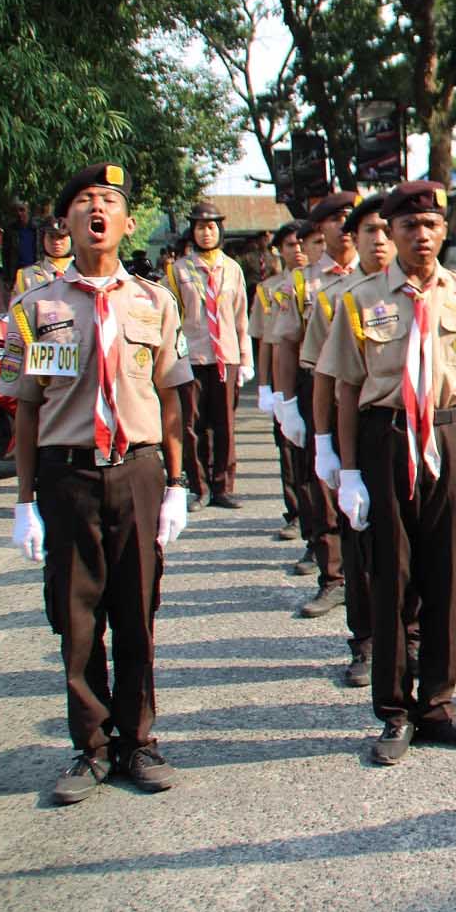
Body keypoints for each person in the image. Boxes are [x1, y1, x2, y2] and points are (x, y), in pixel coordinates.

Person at [4, 163, 193, 805]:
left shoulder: (154, 302)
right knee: (76, 615)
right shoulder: (37, 308)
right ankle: (90, 746)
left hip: (137, 469)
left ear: (127, 222)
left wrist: (176, 483)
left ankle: (138, 740)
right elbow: (29, 408)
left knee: (137, 610)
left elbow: (171, 398)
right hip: (68, 475)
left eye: (109, 200)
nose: (97, 209)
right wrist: (24, 502)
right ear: (66, 221)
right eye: (84, 200)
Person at [320, 180, 456, 765]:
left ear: (443, 230)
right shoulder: (359, 299)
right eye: (408, 226)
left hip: (449, 436)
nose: (420, 235)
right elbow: (346, 388)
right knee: (391, 576)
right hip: (386, 438)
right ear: (393, 233)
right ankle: (395, 710)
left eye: (430, 225)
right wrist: (347, 470)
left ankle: (438, 704)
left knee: (446, 576)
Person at [298, 194, 408, 687]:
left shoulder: (418, 291)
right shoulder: (336, 298)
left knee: (410, 542)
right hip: (359, 429)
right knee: (361, 540)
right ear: (355, 239)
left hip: (412, 430)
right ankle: (365, 640)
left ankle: (410, 637)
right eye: (369, 232)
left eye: (386, 230)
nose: (380, 240)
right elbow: (326, 378)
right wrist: (325, 444)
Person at [271, 192, 360, 619]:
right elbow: (285, 344)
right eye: (336, 219)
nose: (345, 227)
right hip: (317, 388)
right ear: (320, 228)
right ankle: (334, 577)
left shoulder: (378, 276)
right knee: (322, 483)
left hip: (365, 390)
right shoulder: (301, 283)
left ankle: (368, 576)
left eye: (351, 218)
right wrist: (285, 400)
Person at [167, 202, 252, 512]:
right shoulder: (178, 271)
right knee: (192, 425)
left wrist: (245, 359)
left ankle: (223, 487)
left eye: (212, 227)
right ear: (192, 231)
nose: (206, 232)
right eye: (200, 227)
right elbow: (170, 316)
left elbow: (241, 317)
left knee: (225, 424)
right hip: (192, 357)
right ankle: (199, 487)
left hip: (225, 356)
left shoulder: (232, 269)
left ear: (220, 231)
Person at [255, 222, 311, 550]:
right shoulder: (270, 289)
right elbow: (267, 341)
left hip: (316, 374)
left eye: (303, 243)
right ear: (280, 250)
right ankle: (296, 513)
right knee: (289, 449)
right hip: (286, 376)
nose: (298, 250)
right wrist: (265, 385)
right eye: (291, 245)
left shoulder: (322, 282)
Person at [11, 217, 73, 297]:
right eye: (51, 236)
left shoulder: (85, 272)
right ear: (43, 239)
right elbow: (17, 304)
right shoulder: (26, 275)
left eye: (61, 237)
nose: (56, 242)